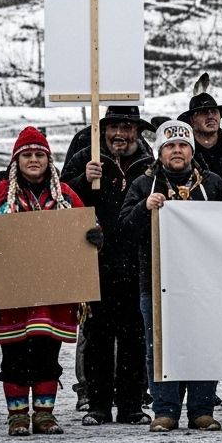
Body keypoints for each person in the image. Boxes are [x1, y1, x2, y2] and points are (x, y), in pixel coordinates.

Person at [0, 126, 99, 436]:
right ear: (16, 161)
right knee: (14, 355)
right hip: (13, 292)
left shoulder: (64, 194)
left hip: (53, 295)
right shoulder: (0, 194)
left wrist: (93, 235)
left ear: (49, 160)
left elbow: (87, 221)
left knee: (46, 353)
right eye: (27, 155)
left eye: (40, 154)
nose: (34, 159)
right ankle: (17, 415)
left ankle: (44, 414)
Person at [119, 119, 222, 433]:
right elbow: (125, 229)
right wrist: (144, 207)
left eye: (183, 145)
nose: (177, 151)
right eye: (170, 146)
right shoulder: (144, 184)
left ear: (191, 150)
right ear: (160, 152)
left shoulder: (211, 184)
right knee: (160, 348)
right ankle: (165, 411)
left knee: (204, 345)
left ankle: (201, 411)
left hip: (205, 284)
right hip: (155, 282)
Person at [61, 106, 153, 426]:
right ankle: (97, 404)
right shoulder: (85, 158)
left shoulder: (149, 164)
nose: (119, 134)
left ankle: (131, 405)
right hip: (95, 261)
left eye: (127, 127)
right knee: (97, 336)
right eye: (113, 126)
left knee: (134, 337)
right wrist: (83, 180)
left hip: (137, 263)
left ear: (137, 131)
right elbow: (62, 201)